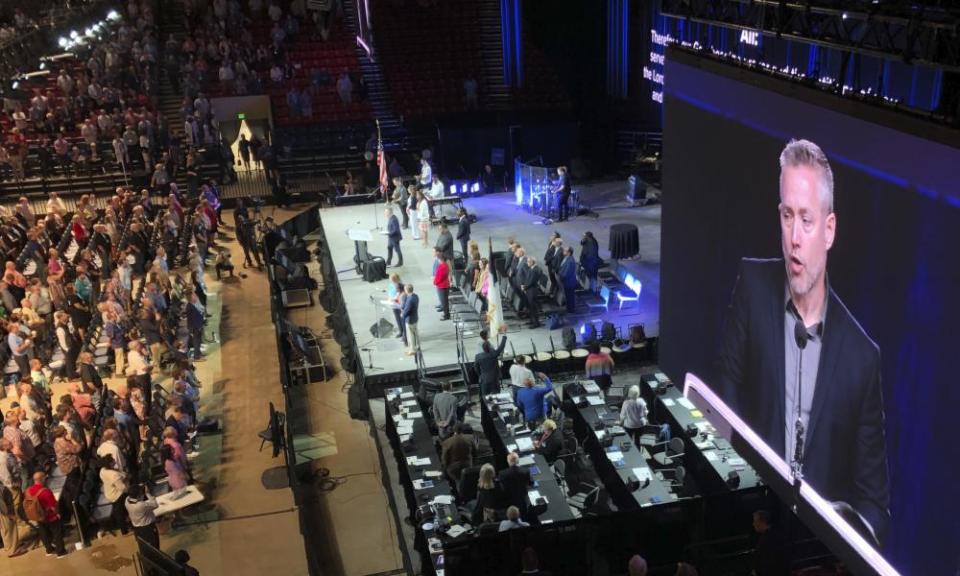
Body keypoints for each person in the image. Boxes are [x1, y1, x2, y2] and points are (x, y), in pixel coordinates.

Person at [716, 139, 889, 543]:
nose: (794, 237)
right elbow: (723, 403)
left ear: (829, 230)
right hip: (746, 530)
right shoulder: (753, 288)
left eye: (806, 220)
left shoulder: (862, 358)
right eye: (787, 215)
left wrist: (841, 534)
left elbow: (875, 509)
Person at [25, 470, 67, 557]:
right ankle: (61, 552)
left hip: (38, 516)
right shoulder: (45, 491)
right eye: (45, 477)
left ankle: (49, 550)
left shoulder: (28, 491)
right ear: (42, 479)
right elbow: (53, 506)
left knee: (44, 533)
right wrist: (57, 514)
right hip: (49, 516)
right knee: (57, 533)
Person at [99, 453, 130, 536]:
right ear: (109, 464)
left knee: (119, 512)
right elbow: (123, 488)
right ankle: (125, 530)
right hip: (117, 495)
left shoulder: (102, 471)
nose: (114, 462)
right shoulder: (113, 475)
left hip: (109, 492)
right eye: (112, 461)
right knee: (120, 513)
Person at [752, 510, 789, 576]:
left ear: (763, 522)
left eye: (755, 521)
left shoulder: (768, 539)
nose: (753, 524)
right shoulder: (774, 534)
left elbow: (769, 563)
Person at [126, 483, 160, 550]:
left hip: (137, 528)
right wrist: (148, 493)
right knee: (154, 547)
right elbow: (155, 505)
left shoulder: (127, 500)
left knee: (143, 546)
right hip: (147, 529)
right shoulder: (141, 505)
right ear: (139, 495)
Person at [498, 452, 532, 519]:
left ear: (508, 461)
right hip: (522, 499)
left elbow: (500, 487)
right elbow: (530, 483)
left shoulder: (502, 473)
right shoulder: (525, 471)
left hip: (508, 499)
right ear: (518, 461)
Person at [520, 258, 542, 328]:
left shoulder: (535, 270)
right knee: (530, 307)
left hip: (532, 291)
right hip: (529, 290)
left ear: (532, 262)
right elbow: (528, 279)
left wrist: (525, 287)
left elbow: (531, 281)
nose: (527, 263)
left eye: (528, 262)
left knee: (533, 307)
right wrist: (524, 286)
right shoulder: (531, 268)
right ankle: (532, 320)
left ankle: (536, 323)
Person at [0, 480, 18, 557]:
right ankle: (12, 551)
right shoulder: (3, 489)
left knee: (4, 531)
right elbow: (3, 504)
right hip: (4, 514)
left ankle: (8, 548)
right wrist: (10, 514)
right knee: (10, 530)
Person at [400, 284, 420, 356]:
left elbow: (407, 310)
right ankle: (417, 346)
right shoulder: (415, 296)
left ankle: (412, 350)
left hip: (410, 319)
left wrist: (402, 314)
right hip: (415, 317)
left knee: (410, 335)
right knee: (415, 333)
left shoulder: (410, 299)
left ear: (406, 290)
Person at [387, 273, 406, 344]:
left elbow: (401, 295)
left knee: (402, 319)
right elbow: (389, 292)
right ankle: (401, 331)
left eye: (392, 280)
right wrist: (389, 299)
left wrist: (394, 299)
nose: (391, 281)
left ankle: (404, 333)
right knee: (397, 319)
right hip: (393, 304)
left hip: (399, 305)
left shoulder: (401, 285)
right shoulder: (391, 285)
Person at [558, 246, 578, 313]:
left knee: (570, 296)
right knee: (568, 296)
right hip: (567, 281)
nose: (563, 251)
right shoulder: (567, 258)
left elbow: (566, 273)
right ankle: (569, 308)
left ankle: (571, 310)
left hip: (569, 282)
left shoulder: (570, 261)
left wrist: (561, 277)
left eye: (565, 251)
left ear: (569, 253)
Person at [433, 252, 450, 321]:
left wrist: (435, 282)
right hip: (444, 285)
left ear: (441, 259)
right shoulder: (445, 265)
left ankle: (446, 315)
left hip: (442, 286)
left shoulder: (442, 266)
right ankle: (446, 313)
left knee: (444, 302)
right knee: (444, 301)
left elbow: (439, 277)